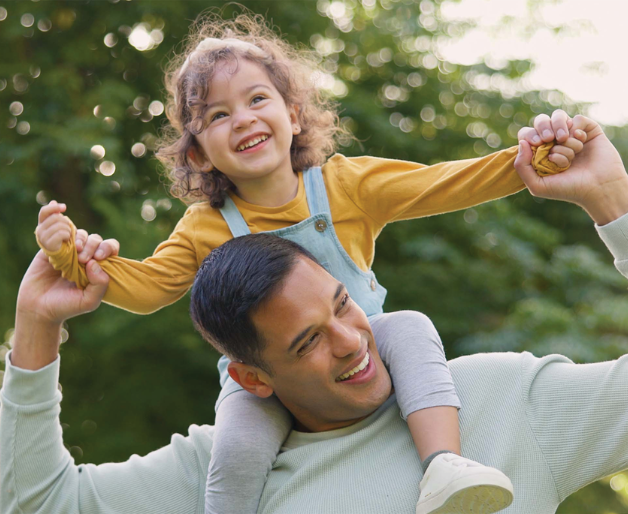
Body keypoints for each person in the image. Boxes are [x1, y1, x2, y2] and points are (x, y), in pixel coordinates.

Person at [33, 12, 586, 514]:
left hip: (369, 342)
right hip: (270, 379)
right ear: (198, 153)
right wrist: (71, 256)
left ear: (293, 113)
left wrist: (527, 161)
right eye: (218, 115)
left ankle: (443, 464)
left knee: (413, 328)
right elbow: (146, 288)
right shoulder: (205, 226)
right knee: (235, 450)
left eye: (256, 100)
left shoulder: (346, 185)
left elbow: (443, 182)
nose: (243, 119)